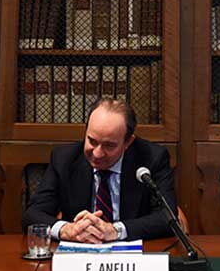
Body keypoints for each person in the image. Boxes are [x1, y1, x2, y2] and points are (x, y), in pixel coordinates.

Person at [23, 98, 177, 243]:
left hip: (131, 255)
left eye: (109, 146)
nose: (97, 153)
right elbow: (32, 214)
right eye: (92, 141)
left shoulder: (152, 159)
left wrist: (115, 230)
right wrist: (66, 229)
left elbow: (167, 217)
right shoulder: (65, 159)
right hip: (79, 252)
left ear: (128, 142)